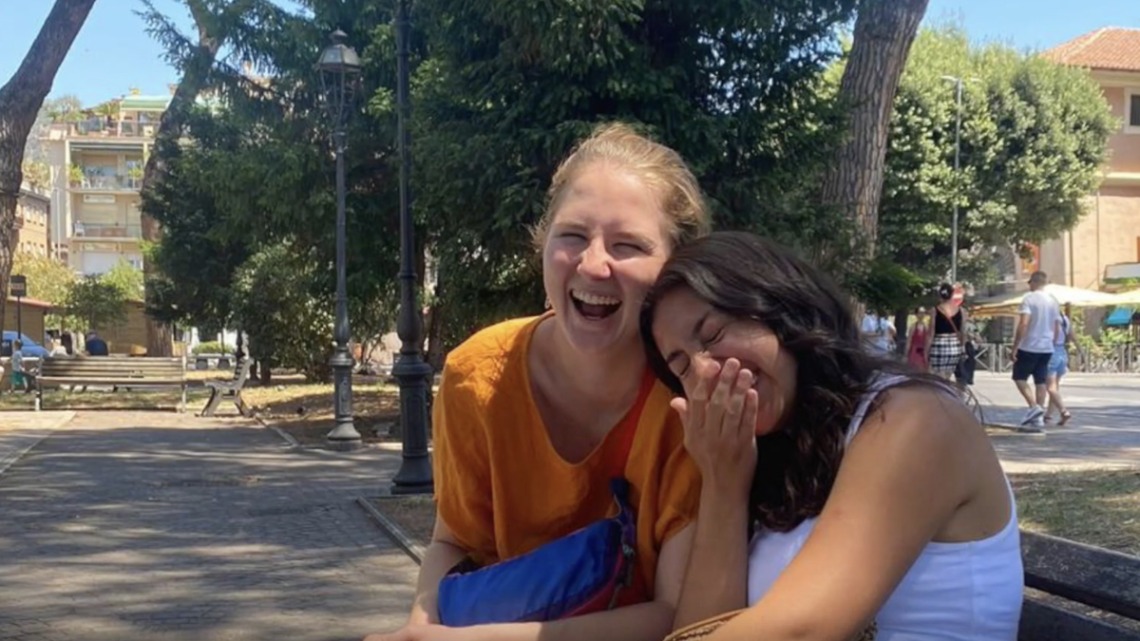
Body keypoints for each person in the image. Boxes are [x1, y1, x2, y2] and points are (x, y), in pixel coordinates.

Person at [363, 123, 711, 641]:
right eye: (572, 235)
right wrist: (420, 629)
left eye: (628, 245)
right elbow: (455, 541)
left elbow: (672, 615)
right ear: (543, 245)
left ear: (675, 267)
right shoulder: (475, 375)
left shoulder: (685, 398)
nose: (594, 265)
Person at [641, 232, 1023, 641]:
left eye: (714, 335)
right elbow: (700, 630)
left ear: (782, 311)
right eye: (680, 366)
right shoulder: (773, 461)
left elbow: (803, 632)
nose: (703, 374)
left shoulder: (917, 419)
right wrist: (723, 484)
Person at [1012, 271, 1061, 429]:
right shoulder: (1053, 301)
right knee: (1040, 380)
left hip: (1029, 345)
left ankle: (1034, 407)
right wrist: (1052, 342)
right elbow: (1056, 325)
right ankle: (1038, 416)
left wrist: (1015, 346)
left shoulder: (1029, 299)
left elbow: (1024, 323)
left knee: (1019, 377)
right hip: (1046, 347)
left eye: (1029, 282)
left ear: (1033, 282)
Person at [926, 283, 966, 380]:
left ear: (940, 295)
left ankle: (940, 393)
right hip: (954, 345)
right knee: (948, 375)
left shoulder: (935, 310)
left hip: (938, 343)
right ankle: (946, 392)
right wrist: (962, 347)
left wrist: (926, 349)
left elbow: (931, 332)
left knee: (937, 375)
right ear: (952, 295)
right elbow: (963, 331)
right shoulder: (962, 311)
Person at [1045, 304, 1073, 425]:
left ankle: (1063, 410)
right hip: (1062, 352)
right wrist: (1080, 349)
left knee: (1050, 387)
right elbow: (1072, 335)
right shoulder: (1065, 319)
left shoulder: (1052, 318)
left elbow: (1054, 335)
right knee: (1055, 386)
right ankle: (1048, 415)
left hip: (1052, 351)